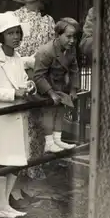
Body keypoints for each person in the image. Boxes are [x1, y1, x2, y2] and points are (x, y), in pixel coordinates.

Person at [0, 12, 37, 218]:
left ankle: (3, 205)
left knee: (16, 160)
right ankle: (1, 204)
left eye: (17, 33)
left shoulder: (18, 59)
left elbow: (22, 80)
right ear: (1, 36)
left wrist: (28, 86)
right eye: (11, 33)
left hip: (17, 116)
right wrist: (13, 94)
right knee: (1, 160)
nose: (15, 37)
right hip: (1, 118)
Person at [10, 0, 56, 207]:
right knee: (19, 134)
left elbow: (51, 52)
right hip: (19, 78)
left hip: (41, 80)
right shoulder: (14, 17)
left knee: (36, 134)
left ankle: (26, 187)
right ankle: (13, 190)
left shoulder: (48, 21)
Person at [33, 18, 80, 154]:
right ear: (57, 35)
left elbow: (74, 70)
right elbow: (38, 76)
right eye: (68, 36)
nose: (72, 40)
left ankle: (57, 139)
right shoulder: (46, 51)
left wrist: (73, 89)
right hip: (44, 86)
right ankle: (49, 142)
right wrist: (51, 93)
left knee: (60, 110)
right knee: (49, 111)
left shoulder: (70, 49)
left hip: (59, 85)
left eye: (74, 37)